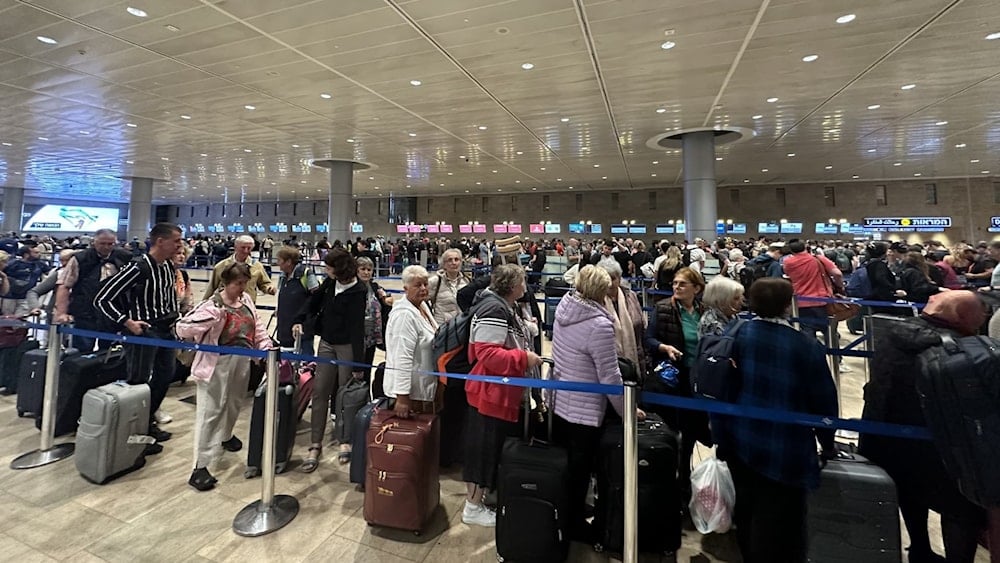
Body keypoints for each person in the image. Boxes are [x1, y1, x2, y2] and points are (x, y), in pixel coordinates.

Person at [711, 278, 839, 562]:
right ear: (786, 305)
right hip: (785, 446)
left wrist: (721, 435)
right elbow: (824, 400)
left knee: (746, 507)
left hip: (741, 438)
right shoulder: (805, 345)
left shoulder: (736, 333)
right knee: (783, 520)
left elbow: (723, 387)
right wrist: (828, 443)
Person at [860, 291, 988, 563]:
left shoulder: (893, 335)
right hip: (941, 444)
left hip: (888, 433)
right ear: (962, 317)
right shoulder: (957, 349)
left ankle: (919, 548)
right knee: (960, 508)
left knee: (909, 493)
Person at [550, 265, 644, 541]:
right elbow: (610, 377)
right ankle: (575, 527)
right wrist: (627, 411)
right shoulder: (599, 325)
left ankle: (566, 515)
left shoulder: (565, 308)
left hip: (560, 399)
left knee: (569, 469)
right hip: (586, 409)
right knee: (580, 472)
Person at [175, 263, 272, 491]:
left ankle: (225, 436)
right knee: (210, 412)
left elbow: (257, 326)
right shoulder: (212, 305)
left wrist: (266, 347)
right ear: (226, 282)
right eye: (238, 283)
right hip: (216, 365)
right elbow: (182, 328)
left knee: (234, 403)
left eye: (245, 283)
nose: (242, 287)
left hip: (242, 361)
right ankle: (200, 465)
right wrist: (209, 320)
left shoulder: (245, 300)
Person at [462, 264, 543, 528]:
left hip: (496, 391)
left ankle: (482, 497)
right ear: (513, 286)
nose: (525, 286)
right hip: (489, 392)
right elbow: (487, 353)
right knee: (482, 451)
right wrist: (524, 358)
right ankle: (472, 507)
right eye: (522, 282)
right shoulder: (494, 309)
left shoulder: (501, 305)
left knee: (489, 448)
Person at [93, 223, 184, 448]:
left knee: (165, 375)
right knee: (139, 381)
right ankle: (131, 432)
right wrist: (127, 322)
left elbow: (168, 296)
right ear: (160, 241)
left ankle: (147, 421)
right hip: (144, 331)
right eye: (176, 241)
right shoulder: (139, 267)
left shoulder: (167, 266)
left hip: (166, 329)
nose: (179, 246)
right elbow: (102, 298)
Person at [292, 248, 367, 471]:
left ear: (340, 269)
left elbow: (357, 328)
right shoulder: (330, 283)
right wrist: (299, 319)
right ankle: (315, 442)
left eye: (329, 267)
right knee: (320, 391)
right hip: (326, 342)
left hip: (347, 346)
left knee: (344, 395)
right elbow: (313, 302)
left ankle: (345, 439)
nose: (326, 271)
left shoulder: (358, 290)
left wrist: (358, 363)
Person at [644, 266, 709, 508]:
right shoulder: (662, 308)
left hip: (697, 379)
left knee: (692, 430)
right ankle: (667, 482)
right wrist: (664, 348)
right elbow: (649, 339)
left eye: (682, 284)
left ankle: (684, 480)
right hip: (672, 379)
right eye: (674, 283)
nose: (676, 287)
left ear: (696, 288)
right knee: (671, 429)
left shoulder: (704, 311)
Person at [53, 229, 135, 352]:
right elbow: (64, 286)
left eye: (110, 244)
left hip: (114, 314)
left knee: (110, 353)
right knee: (82, 352)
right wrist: (61, 313)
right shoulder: (80, 258)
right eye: (102, 243)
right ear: (94, 242)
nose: (106, 247)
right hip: (85, 312)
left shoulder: (125, 258)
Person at [594, 260, 647, 375]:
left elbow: (641, 325)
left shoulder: (631, 296)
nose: (609, 283)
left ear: (619, 278)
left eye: (612, 278)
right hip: (607, 361)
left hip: (635, 354)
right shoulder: (595, 301)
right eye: (606, 279)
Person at [274, 246, 320, 357]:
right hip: (284, 325)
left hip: (302, 327)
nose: (277, 263)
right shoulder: (283, 276)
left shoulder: (306, 274)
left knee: (305, 359)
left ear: (289, 262)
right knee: (286, 359)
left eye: (279, 260)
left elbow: (316, 297)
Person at [203, 235, 275, 302]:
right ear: (235, 247)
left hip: (247, 306)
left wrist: (269, 288)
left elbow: (264, 283)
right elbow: (212, 287)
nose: (246, 251)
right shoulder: (221, 266)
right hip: (225, 306)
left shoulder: (257, 266)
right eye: (243, 247)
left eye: (249, 248)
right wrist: (203, 304)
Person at [356, 256, 392, 383]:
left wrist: (386, 300)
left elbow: (386, 304)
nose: (366, 272)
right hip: (355, 338)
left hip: (371, 338)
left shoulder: (375, 287)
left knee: (367, 371)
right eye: (363, 269)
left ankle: (365, 393)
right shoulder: (351, 287)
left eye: (369, 269)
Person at [427, 248, 469, 325]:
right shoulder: (435, 281)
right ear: (444, 264)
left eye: (456, 259)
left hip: (462, 326)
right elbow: (421, 301)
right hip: (442, 326)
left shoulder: (467, 281)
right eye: (450, 260)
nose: (454, 263)